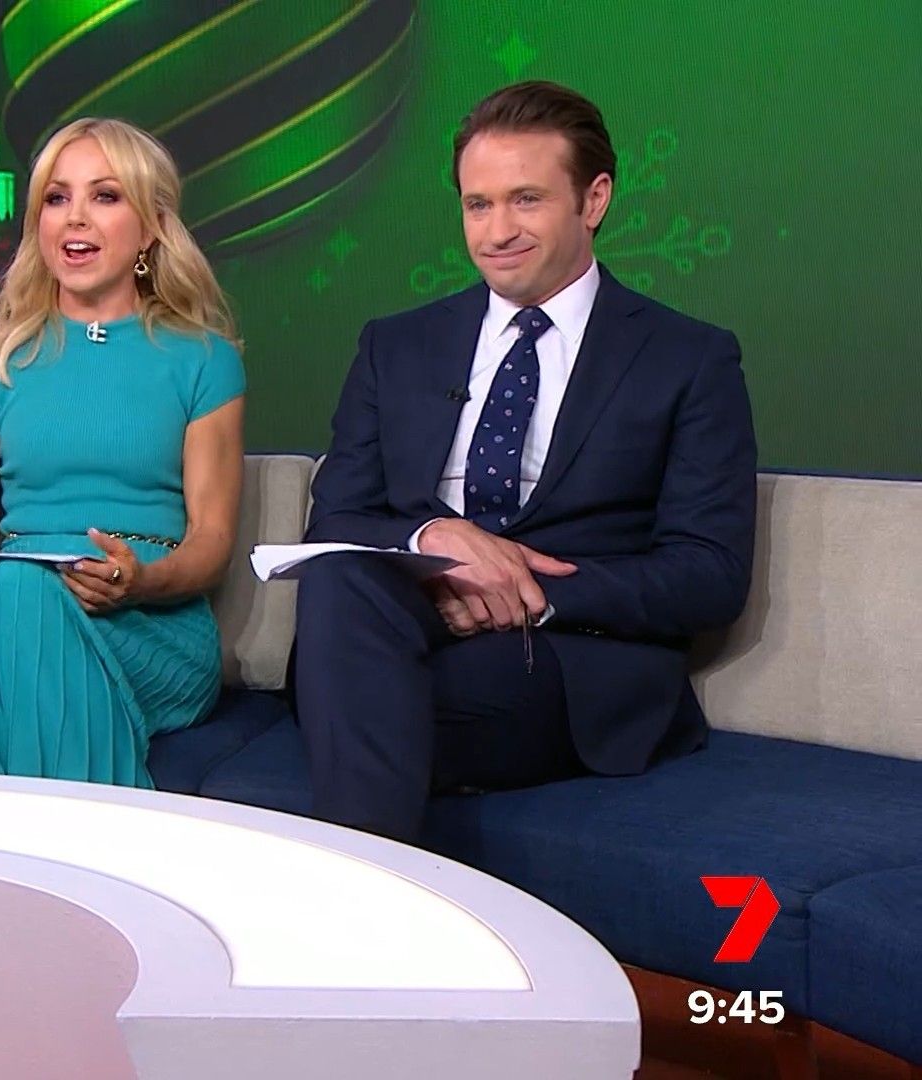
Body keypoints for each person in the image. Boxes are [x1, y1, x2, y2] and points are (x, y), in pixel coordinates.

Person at [289, 81, 757, 840]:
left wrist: (523, 589)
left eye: (526, 200)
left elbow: (709, 574)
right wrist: (435, 543)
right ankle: (371, 886)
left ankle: (355, 883)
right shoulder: (394, 345)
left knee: (363, 702)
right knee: (341, 578)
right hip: (402, 622)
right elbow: (336, 519)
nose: (497, 231)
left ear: (594, 199)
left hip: (566, 654)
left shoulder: (688, 357)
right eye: (478, 205)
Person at [0, 117, 246, 788]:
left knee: (15, 602)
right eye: (57, 198)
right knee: (15, 591)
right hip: (16, 605)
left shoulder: (204, 360)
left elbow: (211, 544)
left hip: (148, 624)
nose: (75, 218)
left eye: (105, 196)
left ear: (151, 228)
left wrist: (140, 582)